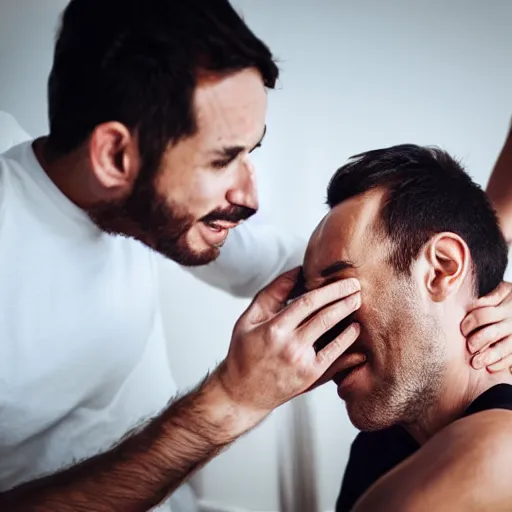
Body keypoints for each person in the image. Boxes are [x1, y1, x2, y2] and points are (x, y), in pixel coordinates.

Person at [0, 1, 363, 511]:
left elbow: (282, 262)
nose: (251, 197)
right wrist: (231, 401)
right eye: (222, 159)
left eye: (250, 153)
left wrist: (474, 289)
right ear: (114, 157)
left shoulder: (142, 209)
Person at [299, 143, 512, 511]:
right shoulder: (375, 448)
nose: (316, 334)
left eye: (337, 289)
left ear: (441, 269)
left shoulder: (500, 453)